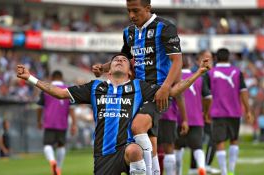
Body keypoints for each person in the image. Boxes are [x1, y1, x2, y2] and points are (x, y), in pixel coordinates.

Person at [17, 53, 211, 175]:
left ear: (130, 72)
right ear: (108, 72)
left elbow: (173, 91)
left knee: (135, 151)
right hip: (103, 153)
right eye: (116, 60)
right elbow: (59, 93)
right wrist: (30, 78)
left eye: (124, 60)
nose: (119, 60)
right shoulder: (94, 87)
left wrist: (198, 72)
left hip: (127, 149)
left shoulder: (139, 87)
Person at [92, 0, 183, 174]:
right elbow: (123, 58)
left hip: (158, 91)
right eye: (128, 11)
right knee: (150, 140)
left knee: (137, 127)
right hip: (136, 93)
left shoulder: (165, 27)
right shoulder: (129, 32)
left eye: (135, 11)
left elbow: (177, 61)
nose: (131, 15)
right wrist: (103, 68)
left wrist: (165, 88)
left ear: (148, 9)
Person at [206, 48, 253, 175]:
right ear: (229, 58)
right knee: (234, 140)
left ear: (216, 58)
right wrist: (248, 110)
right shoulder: (237, 72)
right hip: (235, 112)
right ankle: (232, 171)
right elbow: (243, 92)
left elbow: (207, 95)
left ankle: (224, 172)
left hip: (217, 112)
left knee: (220, 141)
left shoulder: (211, 73)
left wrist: (206, 112)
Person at [174, 56, 212, 175]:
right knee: (197, 147)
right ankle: (201, 167)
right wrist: (205, 112)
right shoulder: (199, 78)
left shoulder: (175, 78)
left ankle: (178, 172)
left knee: (177, 147)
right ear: (190, 65)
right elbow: (208, 97)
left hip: (179, 118)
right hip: (196, 118)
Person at [36, 70, 77, 175]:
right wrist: (74, 124)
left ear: (51, 77)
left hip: (49, 122)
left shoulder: (45, 89)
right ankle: (58, 168)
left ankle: (52, 161)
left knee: (47, 144)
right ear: (61, 77)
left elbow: (39, 107)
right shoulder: (68, 89)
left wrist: (39, 121)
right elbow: (72, 109)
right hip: (62, 123)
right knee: (61, 145)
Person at [190, 50, 220, 174]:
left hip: (202, 111)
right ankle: (204, 165)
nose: (210, 60)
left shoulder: (207, 73)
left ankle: (195, 167)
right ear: (199, 60)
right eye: (207, 58)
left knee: (199, 139)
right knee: (210, 137)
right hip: (200, 112)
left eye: (211, 58)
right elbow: (205, 95)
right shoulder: (199, 74)